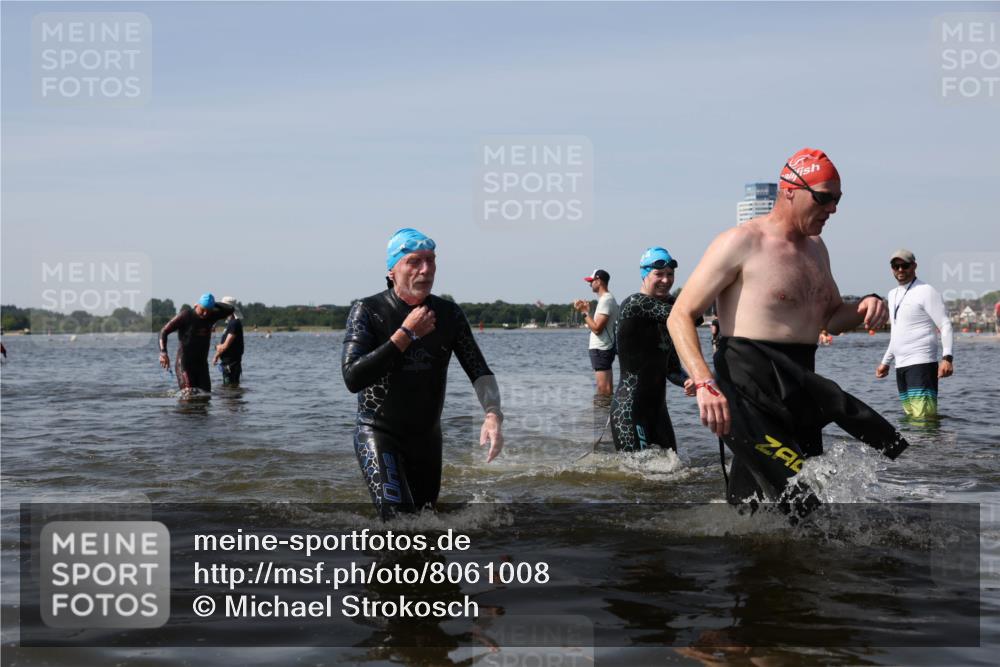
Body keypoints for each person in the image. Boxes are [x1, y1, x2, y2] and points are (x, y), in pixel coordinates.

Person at [667, 148, 908, 516]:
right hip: (748, 390)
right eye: (825, 198)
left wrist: (865, 308)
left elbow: (830, 318)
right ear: (790, 190)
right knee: (804, 504)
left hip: (798, 387)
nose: (833, 209)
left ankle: (744, 564)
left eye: (838, 199)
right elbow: (680, 314)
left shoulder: (816, 249)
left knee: (752, 508)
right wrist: (703, 383)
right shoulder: (741, 242)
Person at [341, 228, 504, 520]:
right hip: (379, 432)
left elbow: (479, 370)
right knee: (399, 522)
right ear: (392, 270)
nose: (426, 269)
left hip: (427, 439)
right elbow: (353, 377)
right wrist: (406, 335)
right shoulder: (368, 311)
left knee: (426, 523)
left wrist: (493, 414)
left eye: (431, 260)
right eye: (415, 261)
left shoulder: (449, 314)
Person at [610, 247, 696, 452]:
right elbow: (692, 317)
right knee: (636, 477)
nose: (666, 280)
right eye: (659, 274)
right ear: (644, 274)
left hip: (658, 411)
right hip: (629, 410)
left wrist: (686, 380)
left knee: (675, 472)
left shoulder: (671, 313)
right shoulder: (635, 304)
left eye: (670, 274)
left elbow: (672, 368)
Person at [875, 249, 953, 418]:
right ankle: (918, 446)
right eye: (896, 266)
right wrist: (886, 362)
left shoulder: (926, 291)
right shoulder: (892, 294)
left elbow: (945, 325)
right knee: (910, 419)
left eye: (905, 265)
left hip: (922, 364)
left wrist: (947, 358)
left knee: (924, 419)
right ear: (892, 269)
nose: (900, 270)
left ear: (914, 266)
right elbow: (896, 334)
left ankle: (931, 445)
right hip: (901, 366)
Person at [158, 293, 235, 393]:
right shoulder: (186, 315)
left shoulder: (212, 316)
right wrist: (163, 352)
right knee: (188, 394)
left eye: (208, 311)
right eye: (202, 310)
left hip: (201, 365)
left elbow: (230, 309)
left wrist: (213, 304)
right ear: (197, 305)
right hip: (184, 364)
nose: (205, 314)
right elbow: (163, 331)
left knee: (206, 395)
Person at [574, 269, 619, 396]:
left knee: (603, 390)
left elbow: (597, 329)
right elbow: (599, 326)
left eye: (591, 281)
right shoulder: (607, 299)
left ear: (598, 281)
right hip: (604, 348)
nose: (590, 284)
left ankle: (601, 415)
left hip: (601, 349)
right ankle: (605, 415)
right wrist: (588, 312)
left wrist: (584, 312)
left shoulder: (606, 300)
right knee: (607, 390)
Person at [213, 296, 245, 387]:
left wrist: (216, 347)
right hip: (227, 363)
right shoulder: (230, 324)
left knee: (230, 390)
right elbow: (224, 345)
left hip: (232, 364)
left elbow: (225, 346)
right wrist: (217, 356)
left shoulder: (234, 323)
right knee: (229, 389)